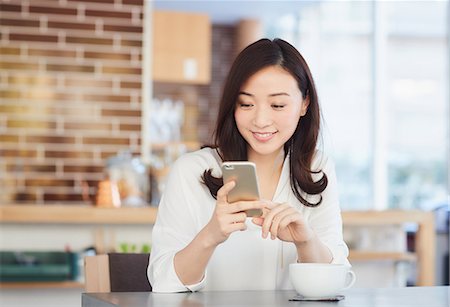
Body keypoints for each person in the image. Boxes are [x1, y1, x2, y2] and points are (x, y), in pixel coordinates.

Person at [148, 38, 349, 292]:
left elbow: (335, 283)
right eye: (246, 104)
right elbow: (163, 282)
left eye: (277, 105)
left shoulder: (316, 168)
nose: (261, 120)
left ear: (304, 104)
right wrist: (210, 236)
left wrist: (306, 240)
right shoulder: (192, 171)